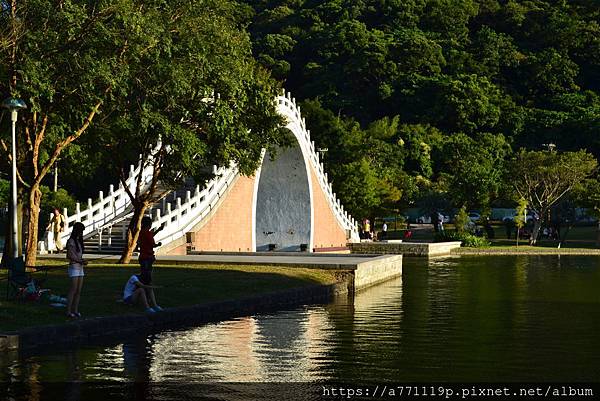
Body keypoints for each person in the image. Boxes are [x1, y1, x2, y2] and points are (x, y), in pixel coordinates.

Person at [66, 222, 86, 318]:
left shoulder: (78, 242)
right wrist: (80, 261)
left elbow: (78, 256)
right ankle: (69, 311)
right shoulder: (70, 241)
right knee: (73, 290)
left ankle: (75, 310)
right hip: (74, 268)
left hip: (80, 268)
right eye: (80, 231)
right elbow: (69, 255)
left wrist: (81, 261)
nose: (81, 233)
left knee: (78, 290)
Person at [137, 216, 163, 287]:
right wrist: (158, 244)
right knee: (148, 273)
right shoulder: (148, 233)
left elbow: (151, 235)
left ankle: (142, 285)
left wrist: (158, 230)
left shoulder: (141, 232)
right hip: (148, 256)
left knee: (143, 272)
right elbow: (152, 245)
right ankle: (148, 286)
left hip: (142, 256)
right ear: (149, 225)